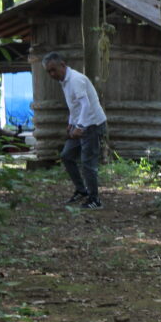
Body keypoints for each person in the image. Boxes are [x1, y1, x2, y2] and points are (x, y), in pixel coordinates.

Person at [43, 52, 107, 209]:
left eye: (53, 70)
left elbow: (85, 105)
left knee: (88, 163)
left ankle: (95, 200)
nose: (52, 74)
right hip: (80, 123)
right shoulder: (64, 81)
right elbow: (75, 106)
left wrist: (79, 127)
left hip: (92, 124)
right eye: (48, 71)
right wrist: (71, 123)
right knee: (67, 156)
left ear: (63, 65)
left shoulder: (76, 80)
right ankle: (81, 190)